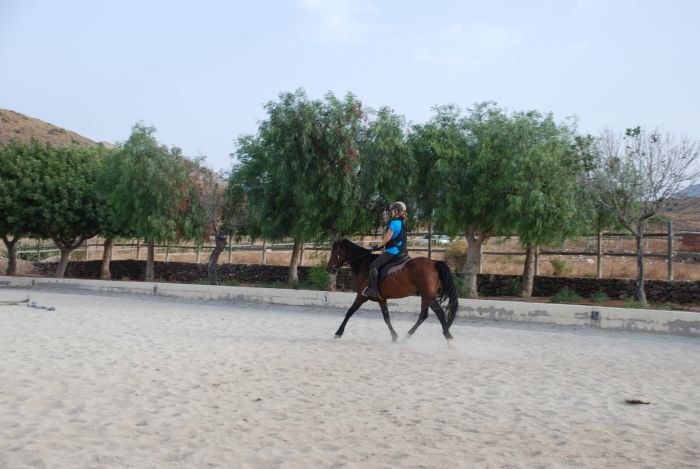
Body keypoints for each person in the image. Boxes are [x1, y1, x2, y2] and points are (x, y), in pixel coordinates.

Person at [364, 201, 408, 300]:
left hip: (393, 251)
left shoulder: (394, 223)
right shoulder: (403, 223)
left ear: (397, 211)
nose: (391, 212)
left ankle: (373, 290)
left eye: (392, 211)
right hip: (402, 251)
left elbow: (387, 239)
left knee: (373, 265)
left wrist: (377, 247)